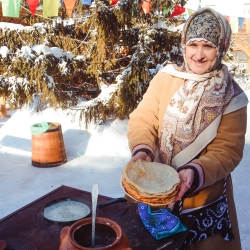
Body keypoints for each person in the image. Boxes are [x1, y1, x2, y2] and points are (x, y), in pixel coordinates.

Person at [126, 7, 248, 250]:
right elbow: (144, 119)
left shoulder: (233, 97)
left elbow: (227, 151)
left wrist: (194, 171)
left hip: (204, 202)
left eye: (208, 46)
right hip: (156, 190)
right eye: (193, 44)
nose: (199, 55)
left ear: (221, 48)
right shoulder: (166, 79)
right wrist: (143, 151)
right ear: (184, 45)